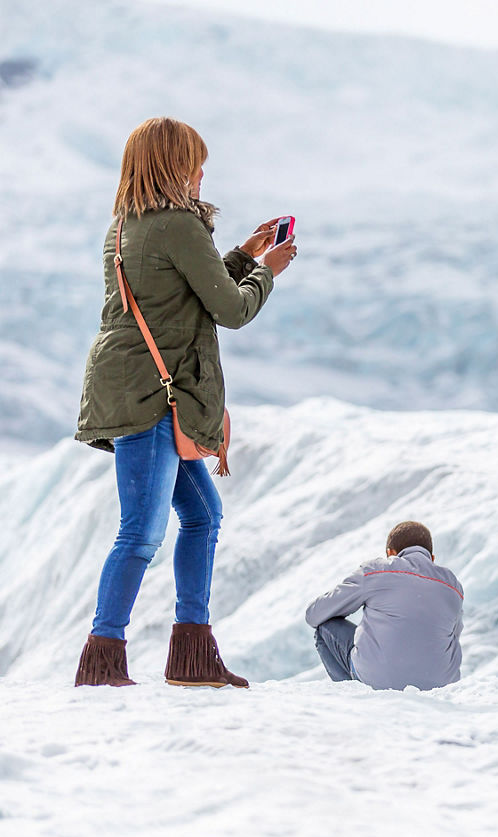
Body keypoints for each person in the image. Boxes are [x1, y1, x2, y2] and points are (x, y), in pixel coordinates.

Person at [73, 117, 296, 687]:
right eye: (195, 164)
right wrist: (266, 273)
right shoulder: (178, 224)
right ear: (174, 166)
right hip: (152, 393)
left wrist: (241, 256)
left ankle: (191, 655)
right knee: (141, 532)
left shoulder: (126, 225)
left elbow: (183, 297)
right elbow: (231, 310)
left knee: (201, 515)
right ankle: (103, 660)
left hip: (130, 383)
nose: (201, 175)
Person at [305, 521, 464, 692]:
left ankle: (354, 694)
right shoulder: (453, 585)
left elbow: (314, 615)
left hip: (378, 680)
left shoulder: (376, 571)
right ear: (432, 558)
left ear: (390, 553)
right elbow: (453, 634)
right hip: (440, 686)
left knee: (325, 625)